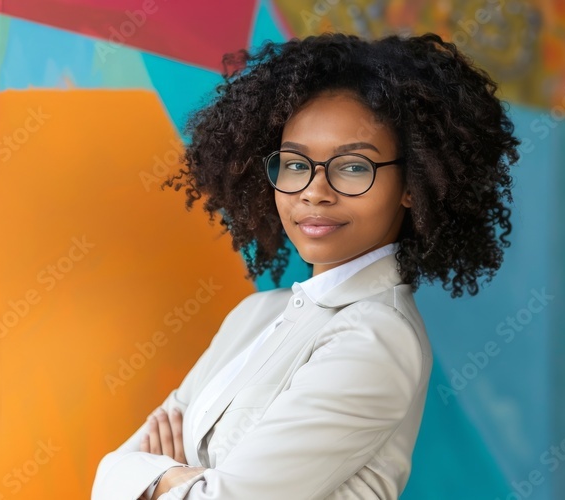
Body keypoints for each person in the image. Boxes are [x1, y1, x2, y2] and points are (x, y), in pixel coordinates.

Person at [92, 31, 520, 499]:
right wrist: (174, 481)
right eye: (296, 165)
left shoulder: (377, 337)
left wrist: (162, 475)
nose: (314, 190)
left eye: (353, 167)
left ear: (412, 185)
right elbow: (108, 473)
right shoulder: (255, 316)